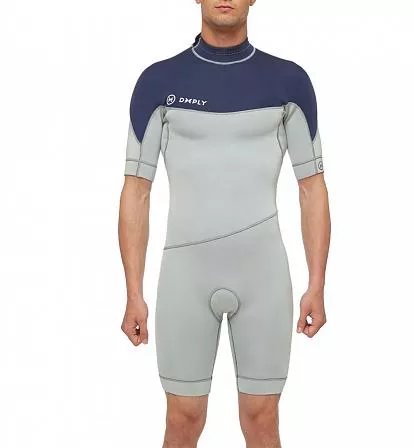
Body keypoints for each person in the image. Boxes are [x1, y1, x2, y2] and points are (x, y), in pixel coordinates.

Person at [118, 0, 331, 446]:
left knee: (261, 419)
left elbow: (311, 187)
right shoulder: (158, 82)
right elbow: (137, 190)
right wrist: (133, 292)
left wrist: (317, 284)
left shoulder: (289, 82)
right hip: (186, 277)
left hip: (263, 277)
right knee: (182, 419)